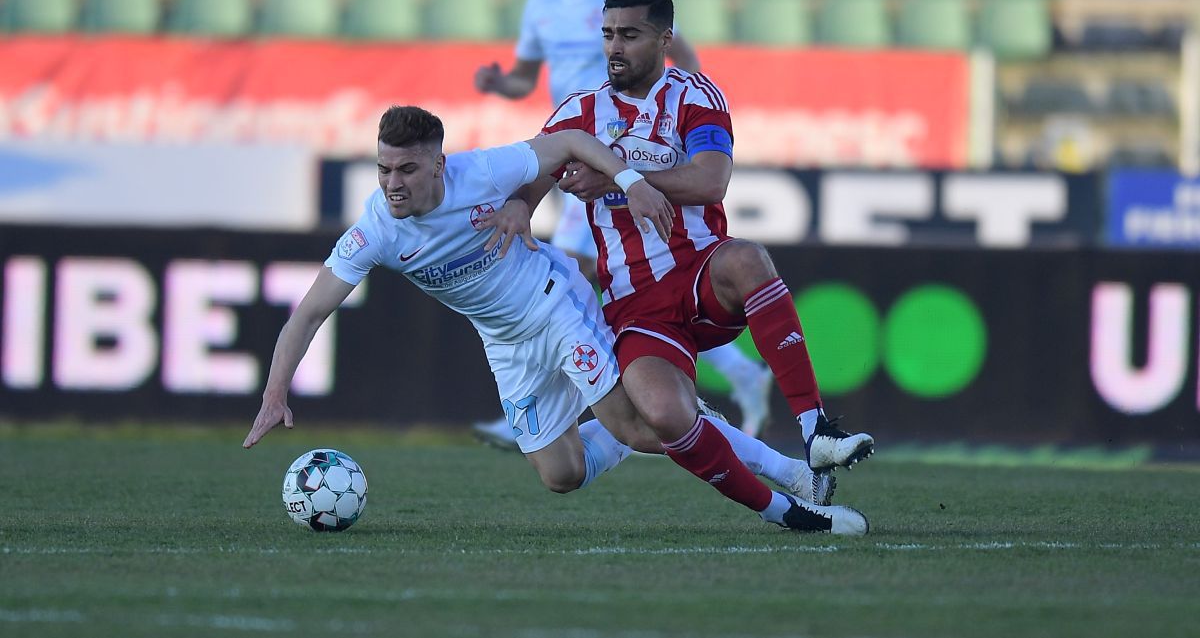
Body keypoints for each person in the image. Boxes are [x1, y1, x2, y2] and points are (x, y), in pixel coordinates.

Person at [243, 105, 866, 534]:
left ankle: (791, 477)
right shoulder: (376, 230)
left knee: (641, 429)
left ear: (438, 163)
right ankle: (688, 416)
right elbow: (309, 312)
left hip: (554, 300)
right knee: (562, 475)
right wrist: (274, 396)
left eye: (406, 169)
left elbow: (568, 142)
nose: (392, 183)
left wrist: (626, 180)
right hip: (505, 342)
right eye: (383, 169)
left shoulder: (481, 171)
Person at [487, 0, 875, 502]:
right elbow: (528, 189)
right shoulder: (577, 114)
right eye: (607, 35)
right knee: (665, 417)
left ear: (665, 38)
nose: (615, 48)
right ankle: (792, 485)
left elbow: (711, 181)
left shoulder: (695, 95)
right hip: (635, 305)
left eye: (630, 34)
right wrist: (517, 210)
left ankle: (815, 429)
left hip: (699, 274)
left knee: (747, 258)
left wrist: (619, 177)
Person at [471, 0, 773, 445]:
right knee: (595, 285)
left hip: (623, 155)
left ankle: (550, 406)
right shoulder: (541, 4)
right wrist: (501, 86)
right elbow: (525, 79)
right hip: (572, 149)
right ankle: (719, 381)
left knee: (581, 277)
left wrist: (669, 128)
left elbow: (683, 61)